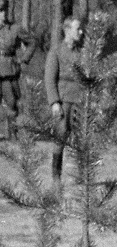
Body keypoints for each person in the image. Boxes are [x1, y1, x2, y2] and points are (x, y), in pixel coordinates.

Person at [44, 18, 84, 185]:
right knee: (60, 137)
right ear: (67, 30)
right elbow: (49, 79)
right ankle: (56, 177)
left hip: (81, 101)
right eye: (78, 29)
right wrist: (54, 102)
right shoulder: (56, 52)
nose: (81, 32)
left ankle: (82, 177)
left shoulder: (82, 52)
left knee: (82, 138)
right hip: (64, 101)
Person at [0, 0, 33, 139]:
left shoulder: (15, 29)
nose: (2, 14)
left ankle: (12, 134)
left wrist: (24, 59)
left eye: (3, 11)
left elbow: (32, 42)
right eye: (0, 11)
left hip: (9, 70)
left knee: (12, 102)